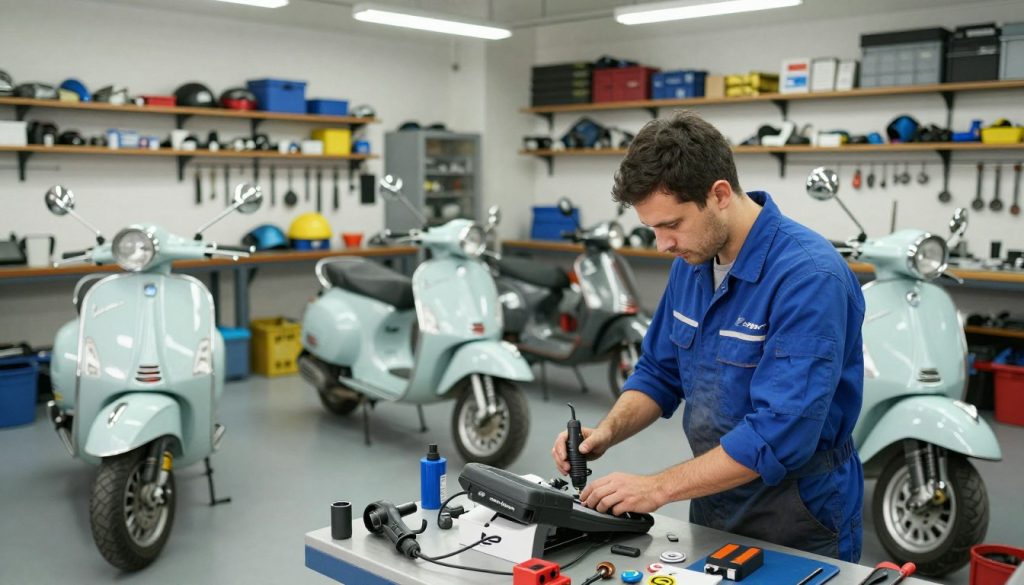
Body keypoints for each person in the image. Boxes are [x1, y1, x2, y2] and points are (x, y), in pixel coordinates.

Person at [551, 110, 865, 561]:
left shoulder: (808, 277)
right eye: (652, 228)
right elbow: (659, 372)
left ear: (719, 195)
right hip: (712, 495)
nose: (662, 244)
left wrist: (658, 487)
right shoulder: (693, 263)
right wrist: (607, 431)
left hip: (798, 512)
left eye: (672, 224)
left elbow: (780, 433)